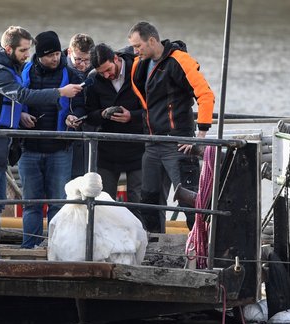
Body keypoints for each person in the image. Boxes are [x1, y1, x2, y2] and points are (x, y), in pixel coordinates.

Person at [0, 26, 82, 255]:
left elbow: (12, 103)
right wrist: (60, 92)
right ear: (8, 49)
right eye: (23, 50)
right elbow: (21, 95)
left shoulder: (9, 68)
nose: (27, 55)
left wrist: (21, 115)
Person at [128, 22, 215, 232]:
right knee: (148, 199)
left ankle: (199, 247)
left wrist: (199, 136)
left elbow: (206, 95)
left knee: (190, 199)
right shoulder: (139, 62)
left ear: (152, 40)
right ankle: (156, 245)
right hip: (152, 142)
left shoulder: (180, 60)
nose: (134, 51)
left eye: (137, 46)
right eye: (132, 47)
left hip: (178, 144)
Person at [19, 31, 85, 248]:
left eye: (57, 53)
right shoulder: (23, 72)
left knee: (59, 204)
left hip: (60, 148)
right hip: (28, 148)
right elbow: (13, 99)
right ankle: (30, 247)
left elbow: (81, 104)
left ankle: (58, 247)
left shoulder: (72, 74)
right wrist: (20, 116)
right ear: (38, 55)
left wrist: (73, 117)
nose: (55, 58)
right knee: (31, 205)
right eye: (49, 55)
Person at [85, 43, 145, 211]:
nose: (106, 75)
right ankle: (104, 237)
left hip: (138, 147)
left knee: (139, 200)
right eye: (101, 72)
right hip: (107, 150)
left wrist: (131, 116)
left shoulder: (139, 70)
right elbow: (90, 115)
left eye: (108, 69)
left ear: (116, 58)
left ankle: (141, 236)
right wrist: (102, 114)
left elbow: (153, 110)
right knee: (104, 202)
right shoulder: (94, 79)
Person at [63, 33, 95, 179]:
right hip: (66, 135)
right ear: (69, 52)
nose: (82, 64)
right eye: (78, 59)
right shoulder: (60, 70)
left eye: (87, 60)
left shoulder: (98, 71)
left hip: (91, 133)